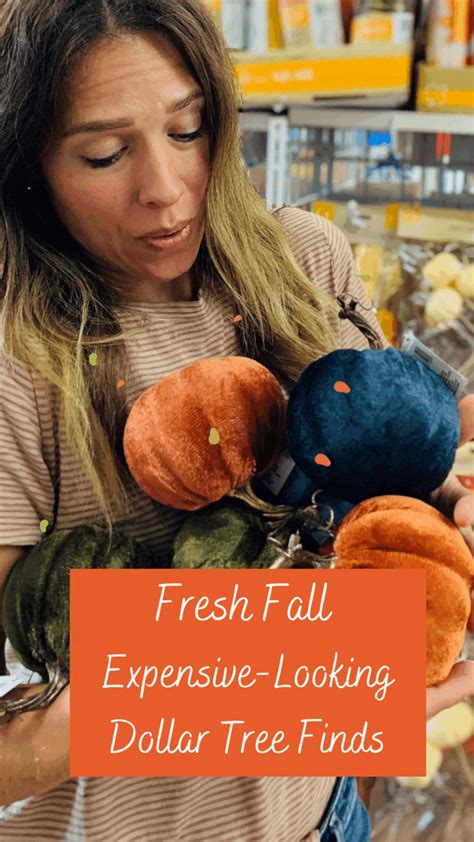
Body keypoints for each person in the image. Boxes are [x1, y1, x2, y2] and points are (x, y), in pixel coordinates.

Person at [0, 0, 473, 839]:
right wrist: (306, 667)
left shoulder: (306, 257)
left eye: (189, 130)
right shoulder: (18, 354)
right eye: (105, 153)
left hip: (324, 814)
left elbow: (394, 488)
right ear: (26, 161)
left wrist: (446, 505)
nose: (166, 188)